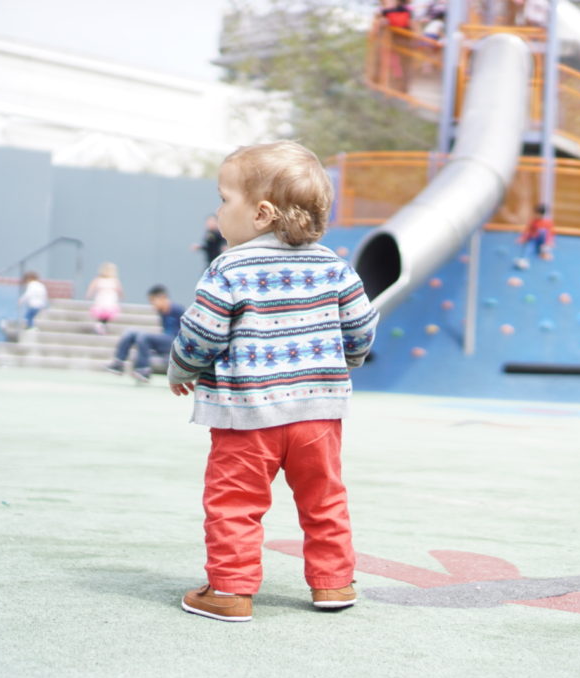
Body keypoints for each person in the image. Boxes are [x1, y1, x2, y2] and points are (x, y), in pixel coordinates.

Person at [167, 141, 378, 622]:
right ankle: (333, 583)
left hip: (247, 417)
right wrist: (350, 357)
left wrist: (183, 368)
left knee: (235, 503)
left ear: (261, 213)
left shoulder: (229, 267)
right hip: (318, 414)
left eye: (224, 198)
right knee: (324, 498)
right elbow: (361, 328)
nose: (218, 210)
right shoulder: (334, 266)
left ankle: (230, 591)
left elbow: (202, 332)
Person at [105, 285, 184, 382]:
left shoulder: (177, 309)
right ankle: (118, 363)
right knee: (131, 332)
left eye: (153, 301)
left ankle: (144, 370)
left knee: (143, 337)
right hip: (165, 339)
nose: (152, 305)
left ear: (162, 297)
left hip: (175, 342)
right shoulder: (162, 311)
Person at [86, 262, 123, 334]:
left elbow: (119, 289)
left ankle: (102, 326)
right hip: (103, 299)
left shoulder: (112, 280)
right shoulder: (101, 279)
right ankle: (101, 326)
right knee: (103, 313)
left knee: (106, 314)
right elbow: (91, 288)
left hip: (108, 300)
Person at [514, 203, 554, 269]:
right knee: (529, 246)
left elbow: (549, 234)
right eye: (536, 213)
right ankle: (524, 259)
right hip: (534, 240)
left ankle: (545, 252)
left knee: (542, 231)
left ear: (542, 214)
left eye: (539, 214)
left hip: (542, 241)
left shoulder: (547, 222)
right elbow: (528, 231)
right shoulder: (533, 222)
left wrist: (549, 241)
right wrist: (523, 238)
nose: (537, 215)